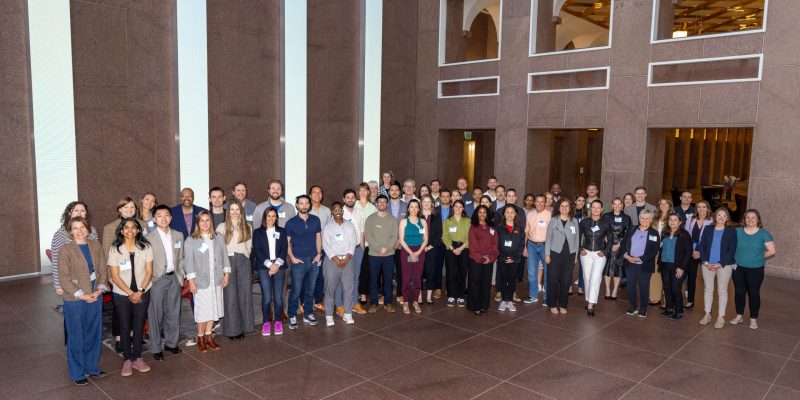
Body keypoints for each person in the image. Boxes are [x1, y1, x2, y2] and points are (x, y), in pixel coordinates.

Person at [57, 217, 108, 385]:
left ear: (88, 229)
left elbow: (102, 268)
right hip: (75, 299)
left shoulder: (95, 245)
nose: (79, 231)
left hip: (96, 295)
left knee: (93, 333)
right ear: (70, 231)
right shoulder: (65, 249)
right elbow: (64, 278)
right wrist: (82, 295)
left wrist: (100, 289)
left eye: (82, 227)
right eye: (75, 228)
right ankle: (77, 373)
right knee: (76, 336)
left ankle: (92, 368)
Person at [107, 218, 154, 376]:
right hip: (122, 294)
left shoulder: (146, 246)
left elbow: (149, 272)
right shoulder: (115, 249)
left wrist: (139, 291)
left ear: (138, 230)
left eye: (133, 227)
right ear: (121, 231)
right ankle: (127, 360)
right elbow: (115, 275)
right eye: (126, 227)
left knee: (139, 325)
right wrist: (130, 293)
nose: (130, 230)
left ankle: (138, 358)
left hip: (143, 292)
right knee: (125, 327)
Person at [101, 196, 145, 352]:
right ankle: (119, 338)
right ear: (119, 210)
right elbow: (106, 253)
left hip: (138, 274)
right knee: (120, 309)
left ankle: (133, 335)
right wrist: (109, 277)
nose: (129, 210)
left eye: (132, 207)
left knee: (136, 307)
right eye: (125, 208)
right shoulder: (109, 228)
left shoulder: (142, 224)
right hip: (118, 275)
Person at [185, 211, 230, 352]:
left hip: (216, 279)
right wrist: (191, 281)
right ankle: (200, 337)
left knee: (213, 309)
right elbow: (188, 263)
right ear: (198, 223)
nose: (205, 223)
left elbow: (224, 256)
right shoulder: (191, 240)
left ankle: (209, 337)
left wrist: (226, 274)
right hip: (201, 282)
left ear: (211, 222)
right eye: (202, 221)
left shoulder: (218, 237)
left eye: (207, 220)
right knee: (202, 311)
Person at [145, 204, 185, 361]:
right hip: (157, 280)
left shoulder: (178, 235)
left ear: (171, 218)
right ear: (154, 219)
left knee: (174, 312)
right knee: (156, 315)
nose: (163, 218)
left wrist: (180, 275)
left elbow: (181, 257)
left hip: (174, 278)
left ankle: (171, 343)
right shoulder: (148, 238)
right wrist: (152, 279)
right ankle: (155, 347)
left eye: (167, 215)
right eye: (159, 215)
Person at [731, 209, 776, 329]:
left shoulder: (764, 234)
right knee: (739, 292)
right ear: (744, 219)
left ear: (758, 220)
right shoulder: (737, 231)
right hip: (738, 268)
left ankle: (753, 319)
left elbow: (772, 251)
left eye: (753, 218)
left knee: (754, 293)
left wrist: (758, 257)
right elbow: (730, 246)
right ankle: (739, 316)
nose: (750, 220)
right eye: (748, 217)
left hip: (756, 269)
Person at [216, 199, 254, 340]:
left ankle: (245, 326)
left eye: (237, 209)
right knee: (230, 296)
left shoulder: (248, 226)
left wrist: (244, 257)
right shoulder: (221, 227)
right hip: (228, 262)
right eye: (232, 209)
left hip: (243, 261)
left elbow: (249, 246)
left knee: (244, 295)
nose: (234, 212)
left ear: (241, 211)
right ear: (228, 212)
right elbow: (218, 249)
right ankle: (233, 330)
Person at [285, 195, 323, 329]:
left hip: (313, 260)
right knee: (296, 290)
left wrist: (319, 254)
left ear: (309, 205)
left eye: (306, 203)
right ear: (297, 205)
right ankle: (292, 315)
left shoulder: (315, 220)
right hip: (298, 262)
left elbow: (318, 237)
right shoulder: (290, 223)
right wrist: (292, 258)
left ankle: (308, 313)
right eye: (301, 203)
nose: (304, 206)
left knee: (310, 290)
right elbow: (287, 243)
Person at [698, 207, 737, 329]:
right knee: (708, 289)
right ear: (715, 217)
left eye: (724, 215)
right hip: (707, 264)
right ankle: (707, 314)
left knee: (722, 290)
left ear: (727, 218)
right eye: (719, 215)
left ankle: (721, 317)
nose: (721, 217)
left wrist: (720, 263)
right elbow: (702, 246)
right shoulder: (708, 229)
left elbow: (732, 250)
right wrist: (705, 261)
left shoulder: (731, 231)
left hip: (724, 265)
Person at [252, 207, 288, 336]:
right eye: (269, 216)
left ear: (276, 218)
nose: (271, 219)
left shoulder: (282, 231)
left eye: (273, 216)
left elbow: (284, 250)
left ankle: (278, 321)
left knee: (278, 297)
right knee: (267, 298)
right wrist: (269, 265)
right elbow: (257, 250)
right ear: (264, 217)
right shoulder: (257, 232)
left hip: (279, 266)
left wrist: (276, 264)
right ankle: (266, 322)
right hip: (264, 267)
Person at [321, 202, 358, 326]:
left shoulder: (349, 225)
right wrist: (338, 260)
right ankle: (329, 315)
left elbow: (353, 243)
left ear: (343, 211)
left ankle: (348, 314)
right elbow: (326, 245)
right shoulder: (328, 227)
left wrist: (346, 259)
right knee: (329, 289)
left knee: (348, 288)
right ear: (332, 212)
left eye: (340, 210)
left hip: (348, 260)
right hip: (332, 261)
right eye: (335, 210)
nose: (338, 212)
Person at [51, 201, 99, 296]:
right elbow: (56, 261)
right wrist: (58, 285)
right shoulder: (60, 234)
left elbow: (97, 256)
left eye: (82, 211)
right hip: (73, 281)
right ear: (70, 213)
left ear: (86, 214)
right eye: (76, 210)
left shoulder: (92, 231)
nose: (79, 213)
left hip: (92, 278)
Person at [621, 210, 660, 318]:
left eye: (647, 218)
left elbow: (654, 250)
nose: (645, 220)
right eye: (642, 218)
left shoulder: (654, 233)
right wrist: (626, 256)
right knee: (631, 286)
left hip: (644, 264)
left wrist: (640, 259)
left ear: (651, 220)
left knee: (644, 287)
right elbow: (624, 243)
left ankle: (643, 308)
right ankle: (632, 306)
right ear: (639, 219)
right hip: (630, 263)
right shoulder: (632, 229)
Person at [364, 195, 399, 313]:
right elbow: (368, 236)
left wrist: (387, 248)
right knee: (373, 279)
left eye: (384, 202)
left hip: (389, 254)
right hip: (374, 254)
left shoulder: (393, 219)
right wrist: (379, 248)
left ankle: (388, 302)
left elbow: (395, 236)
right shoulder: (370, 219)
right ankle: (374, 303)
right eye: (380, 202)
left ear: (387, 204)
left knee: (388, 279)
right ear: (376, 204)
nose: (382, 203)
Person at [544, 199, 580, 314]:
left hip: (569, 254)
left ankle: (563, 304)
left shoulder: (574, 221)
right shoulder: (554, 220)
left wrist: (575, 255)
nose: (564, 208)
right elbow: (548, 238)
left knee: (566, 280)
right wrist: (547, 254)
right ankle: (553, 304)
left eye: (567, 206)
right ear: (559, 208)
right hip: (555, 253)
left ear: (570, 208)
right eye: (562, 206)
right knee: (553, 280)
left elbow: (577, 239)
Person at [579, 200, 613, 316]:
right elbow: (578, 236)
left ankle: (590, 305)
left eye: (598, 208)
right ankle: (590, 299)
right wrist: (580, 249)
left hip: (600, 254)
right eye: (594, 207)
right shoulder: (584, 222)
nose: (596, 210)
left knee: (596, 278)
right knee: (587, 277)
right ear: (590, 208)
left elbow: (610, 238)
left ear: (602, 209)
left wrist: (605, 251)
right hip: (586, 253)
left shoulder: (605, 223)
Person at [658, 214, 693, 321]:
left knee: (675, 288)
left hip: (678, 267)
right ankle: (669, 308)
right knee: (667, 288)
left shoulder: (684, 234)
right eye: (671, 219)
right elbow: (661, 248)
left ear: (680, 222)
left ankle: (679, 311)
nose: (672, 222)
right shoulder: (665, 233)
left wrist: (682, 268)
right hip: (664, 265)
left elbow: (688, 252)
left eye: (675, 220)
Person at [339, 189, 367, 315]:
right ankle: (340, 305)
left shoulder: (359, 212)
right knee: (341, 278)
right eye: (348, 197)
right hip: (344, 250)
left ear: (355, 199)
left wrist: (362, 248)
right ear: (344, 199)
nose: (350, 199)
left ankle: (355, 303)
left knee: (356, 277)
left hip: (357, 249)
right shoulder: (339, 213)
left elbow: (362, 231)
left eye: (352, 197)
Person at [399, 199, 429, 314]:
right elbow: (401, 239)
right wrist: (411, 252)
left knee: (417, 278)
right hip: (407, 251)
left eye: (416, 207)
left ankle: (415, 301)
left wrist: (419, 251)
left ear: (419, 208)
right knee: (406, 278)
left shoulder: (423, 221)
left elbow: (425, 239)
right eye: (411, 207)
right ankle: (406, 301)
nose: (414, 209)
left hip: (420, 250)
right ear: (408, 208)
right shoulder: (404, 222)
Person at [467, 205, 498, 315]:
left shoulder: (492, 228)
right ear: (476, 213)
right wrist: (481, 258)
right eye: (480, 212)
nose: (482, 214)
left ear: (487, 214)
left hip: (488, 260)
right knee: (475, 282)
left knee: (486, 283)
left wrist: (490, 258)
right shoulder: (473, 227)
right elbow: (473, 245)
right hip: (476, 260)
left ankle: (484, 305)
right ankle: (475, 306)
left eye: (484, 212)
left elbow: (495, 245)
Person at [684, 200, 713, 309]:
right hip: (691, 251)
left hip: (705, 253)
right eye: (699, 207)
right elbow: (686, 236)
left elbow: (711, 240)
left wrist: (700, 252)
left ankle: (708, 304)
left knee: (707, 279)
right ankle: (690, 300)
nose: (701, 209)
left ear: (708, 209)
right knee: (691, 277)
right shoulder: (691, 219)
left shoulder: (712, 221)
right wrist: (691, 251)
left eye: (704, 207)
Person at [496, 204, 524, 312]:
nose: (509, 214)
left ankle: (510, 301)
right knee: (503, 279)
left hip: (515, 259)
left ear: (515, 214)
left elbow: (521, 245)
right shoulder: (499, 228)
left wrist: (514, 257)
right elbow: (496, 244)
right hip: (502, 258)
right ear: (504, 214)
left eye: (512, 212)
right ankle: (503, 300)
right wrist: (502, 256)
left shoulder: (519, 228)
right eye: (507, 212)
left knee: (512, 279)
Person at [442, 200, 470, 307]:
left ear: (463, 208)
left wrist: (461, 248)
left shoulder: (468, 221)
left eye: (460, 207)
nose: (458, 209)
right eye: (456, 207)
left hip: (464, 247)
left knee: (462, 273)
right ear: (453, 208)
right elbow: (445, 236)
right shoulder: (447, 221)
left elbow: (470, 237)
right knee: (451, 273)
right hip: (451, 248)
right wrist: (453, 249)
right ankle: (451, 295)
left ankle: (461, 296)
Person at [524, 194, 551, 304]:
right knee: (531, 272)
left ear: (545, 203)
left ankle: (547, 298)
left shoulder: (550, 215)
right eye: (537, 201)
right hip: (531, 245)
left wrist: (549, 250)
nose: (539, 203)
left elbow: (551, 234)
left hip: (545, 246)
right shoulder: (530, 214)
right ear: (534, 203)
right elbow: (526, 231)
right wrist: (524, 247)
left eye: (542, 201)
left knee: (547, 272)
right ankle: (533, 295)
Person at [602, 198, 631, 300]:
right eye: (615, 204)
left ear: (622, 205)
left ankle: (614, 290)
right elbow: (603, 230)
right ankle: (607, 290)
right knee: (607, 268)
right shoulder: (606, 216)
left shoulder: (626, 217)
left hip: (620, 246)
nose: (617, 206)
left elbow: (628, 233)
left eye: (619, 204)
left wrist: (618, 244)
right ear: (612, 205)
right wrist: (609, 244)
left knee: (617, 268)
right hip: (608, 245)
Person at [309, 184, 331, 311]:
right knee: (307, 275)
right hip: (307, 249)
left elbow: (328, 230)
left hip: (322, 249)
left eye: (319, 192)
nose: (317, 195)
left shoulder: (327, 211)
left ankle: (318, 300)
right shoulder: (305, 209)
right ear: (310, 195)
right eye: (314, 192)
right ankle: (305, 302)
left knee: (320, 276)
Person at [649, 198, 674, 307]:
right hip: (654, 248)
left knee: (667, 274)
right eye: (661, 203)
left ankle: (667, 299)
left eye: (666, 203)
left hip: (667, 248)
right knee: (655, 273)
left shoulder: (673, 217)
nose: (663, 205)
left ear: (669, 205)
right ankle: (655, 297)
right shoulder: (654, 217)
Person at [420, 195, 442, 304]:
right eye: (425, 201)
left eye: (429, 202)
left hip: (432, 248)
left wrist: (430, 246)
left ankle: (428, 296)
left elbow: (439, 234)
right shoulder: (417, 216)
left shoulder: (437, 216)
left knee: (430, 272)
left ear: (432, 204)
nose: (427, 204)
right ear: (421, 203)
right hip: (418, 249)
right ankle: (418, 296)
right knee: (418, 272)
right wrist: (421, 247)